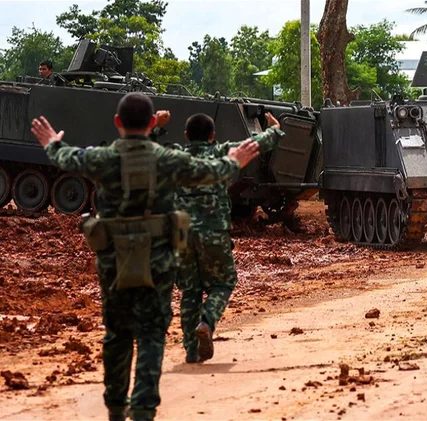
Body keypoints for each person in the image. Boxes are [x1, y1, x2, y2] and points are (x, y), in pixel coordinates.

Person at [30, 92, 261, 421]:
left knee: (117, 333)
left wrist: (51, 141)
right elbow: (209, 170)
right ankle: (142, 410)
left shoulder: (104, 158)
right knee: (152, 334)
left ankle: (114, 407)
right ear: (153, 123)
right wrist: (235, 159)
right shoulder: (166, 159)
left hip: (113, 262)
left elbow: (67, 157)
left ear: (117, 122)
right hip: (159, 262)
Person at [153, 111, 284, 363]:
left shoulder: (176, 157)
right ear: (213, 136)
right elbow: (257, 144)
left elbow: (147, 150)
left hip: (181, 235)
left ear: (186, 136)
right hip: (213, 232)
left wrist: (156, 127)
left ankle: (191, 350)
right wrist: (275, 129)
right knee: (223, 283)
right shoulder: (222, 152)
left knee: (190, 290)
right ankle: (207, 322)